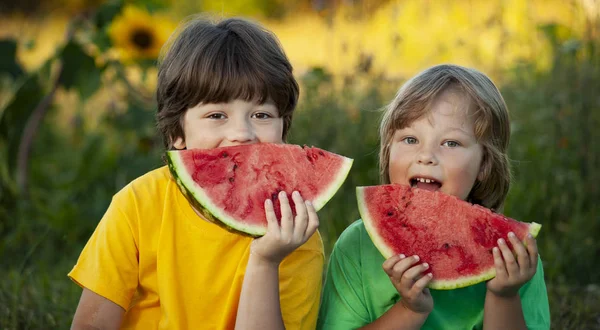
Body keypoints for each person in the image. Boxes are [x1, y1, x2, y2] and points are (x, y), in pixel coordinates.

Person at [69, 16, 324, 330]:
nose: (242, 133)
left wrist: (265, 259)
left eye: (261, 114)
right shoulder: (137, 205)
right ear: (178, 133)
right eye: (216, 114)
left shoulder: (294, 231)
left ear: (283, 130)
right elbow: (90, 325)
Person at [317, 64, 550, 329]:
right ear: (388, 150)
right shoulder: (356, 247)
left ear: (485, 164)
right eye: (410, 139)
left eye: (451, 143)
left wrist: (503, 296)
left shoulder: (513, 257)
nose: (426, 155)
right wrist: (409, 311)